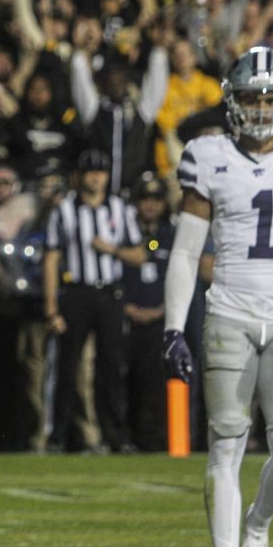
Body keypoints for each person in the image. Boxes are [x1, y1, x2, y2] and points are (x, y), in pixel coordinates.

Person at [163, 47, 273, 547]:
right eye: (252, 98)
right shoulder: (208, 156)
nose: (263, 109)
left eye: (272, 98)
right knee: (225, 446)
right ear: (232, 101)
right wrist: (174, 327)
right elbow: (184, 253)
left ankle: (257, 523)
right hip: (229, 314)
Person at [43, 148, 145, 453]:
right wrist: (51, 305)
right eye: (90, 172)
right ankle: (58, 435)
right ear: (79, 176)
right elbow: (51, 258)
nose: (96, 178)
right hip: (76, 292)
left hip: (109, 293)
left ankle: (116, 435)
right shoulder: (62, 211)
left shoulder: (120, 209)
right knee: (67, 365)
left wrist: (112, 250)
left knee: (112, 366)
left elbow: (142, 252)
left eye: (100, 172)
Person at [122, 172, 174, 451]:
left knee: (156, 382)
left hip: (160, 319)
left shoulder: (172, 234)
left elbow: (180, 277)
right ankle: (126, 436)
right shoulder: (124, 232)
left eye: (156, 198)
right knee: (126, 380)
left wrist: (164, 310)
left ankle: (154, 439)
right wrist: (127, 307)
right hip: (128, 317)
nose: (150, 205)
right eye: (144, 199)